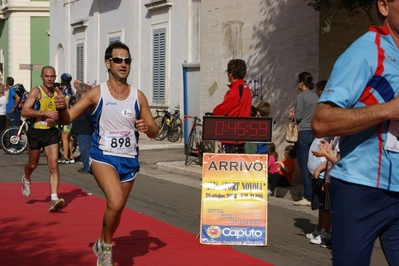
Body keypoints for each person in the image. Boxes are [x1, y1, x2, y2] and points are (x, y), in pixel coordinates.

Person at [54, 41, 159, 266]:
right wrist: (62, 107)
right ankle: (107, 248)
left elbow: (154, 130)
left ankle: (101, 242)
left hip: (129, 159)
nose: (123, 64)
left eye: (127, 60)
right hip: (103, 156)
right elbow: (67, 120)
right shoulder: (96, 93)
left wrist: (147, 127)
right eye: (118, 60)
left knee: (117, 208)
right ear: (107, 63)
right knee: (116, 200)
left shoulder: (137, 96)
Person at [312, 1, 399, 264]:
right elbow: (322, 122)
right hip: (360, 189)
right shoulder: (366, 51)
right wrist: (387, 111)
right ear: (384, 6)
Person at [20, 66, 65, 213]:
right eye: (47, 76)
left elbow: (62, 110)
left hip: (51, 132)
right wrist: (44, 113)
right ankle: (26, 178)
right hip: (36, 132)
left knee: (53, 165)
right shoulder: (36, 91)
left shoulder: (58, 92)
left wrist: (58, 113)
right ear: (42, 77)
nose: (50, 79)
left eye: (52, 76)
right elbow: (25, 111)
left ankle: (53, 198)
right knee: (33, 164)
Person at [290, 72, 319, 207]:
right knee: (313, 165)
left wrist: (291, 115)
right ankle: (312, 194)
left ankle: (307, 196)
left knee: (304, 166)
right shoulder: (316, 97)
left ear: (302, 82)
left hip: (302, 132)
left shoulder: (301, 97)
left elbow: (299, 116)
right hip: (314, 132)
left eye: (298, 81)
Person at [212, 59, 252, 153]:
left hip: (231, 136)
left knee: (229, 164)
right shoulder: (246, 89)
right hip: (241, 134)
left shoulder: (235, 90)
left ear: (231, 74)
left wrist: (214, 112)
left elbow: (221, 110)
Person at [72, 82, 93, 174]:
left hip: (84, 128)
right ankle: (86, 166)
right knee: (84, 148)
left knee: (85, 149)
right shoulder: (84, 99)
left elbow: (89, 114)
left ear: (80, 91)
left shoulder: (85, 100)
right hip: (83, 128)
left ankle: (88, 167)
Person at [58, 73, 76, 164]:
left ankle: (65, 157)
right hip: (71, 115)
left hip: (68, 116)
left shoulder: (66, 90)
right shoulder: (70, 89)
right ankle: (71, 157)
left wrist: (64, 116)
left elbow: (67, 104)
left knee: (64, 135)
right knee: (68, 137)